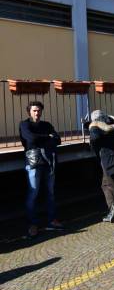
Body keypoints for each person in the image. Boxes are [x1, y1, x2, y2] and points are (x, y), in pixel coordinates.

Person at [19, 100, 64, 238]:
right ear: (29, 112)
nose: (37, 113)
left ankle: (52, 220)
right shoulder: (24, 124)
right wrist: (47, 137)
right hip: (33, 162)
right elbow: (30, 139)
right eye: (34, 110)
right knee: (33, 193)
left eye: (39, 110)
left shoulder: (47, 124)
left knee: (50, 193)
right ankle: (33, 224)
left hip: (48, 162)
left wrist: (46, 139)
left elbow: (58, 139)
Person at [85, 110, 114, 223]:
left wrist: (91, 141)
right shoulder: (109, 124)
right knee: (110, 183)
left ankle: (113, 207)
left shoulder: (96, 125)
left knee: (108, 184)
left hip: (107, 159)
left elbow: (95, 138)